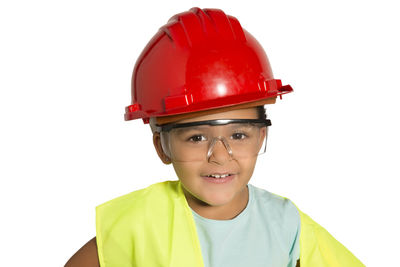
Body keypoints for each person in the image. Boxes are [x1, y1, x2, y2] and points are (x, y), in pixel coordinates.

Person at [65, 7, 364, 267]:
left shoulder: (285, 225)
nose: (220, 156)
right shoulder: (137, 224)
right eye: (196, 138)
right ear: (162, 146)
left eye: (237, 134)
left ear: (261, 137)